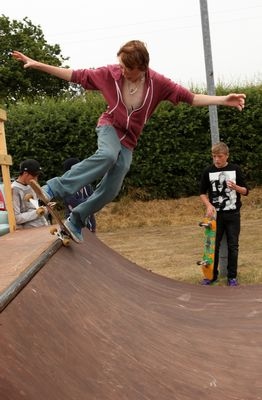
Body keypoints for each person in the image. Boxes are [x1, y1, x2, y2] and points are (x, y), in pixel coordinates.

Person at [12, 40, 246, 243]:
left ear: (142, 68)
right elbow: (76, 75)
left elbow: (191, 98)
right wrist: (38, 64)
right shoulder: (110, 74)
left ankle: (77, 218)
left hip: (129, 141)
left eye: (127, 68)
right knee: (107, 155)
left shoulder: (158, 83)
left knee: (111, 189)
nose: (121, 70)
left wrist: (223, 99)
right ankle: (53, 188)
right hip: (109, 127)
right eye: (121, 65)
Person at [199, 142, 249, 286]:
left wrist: (235, 187)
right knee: (212, 245)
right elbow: (202, 193)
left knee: (233, 246)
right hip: (215, 216)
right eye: (214, 156)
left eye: (219, 156)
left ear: (226, 156)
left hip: (233, 214)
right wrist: (208, 205)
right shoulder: (208, 171)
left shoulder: (235, 169)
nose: (217, 159)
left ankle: (232, 277)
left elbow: (246, 191)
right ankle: (211, 276)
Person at [11, 159, 49, 229]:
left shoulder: (31, 185)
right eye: (34, 176)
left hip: (43, 225)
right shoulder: (14, 189)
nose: (36, 179)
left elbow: (36, 206)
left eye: (37, 176)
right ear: (25, 173)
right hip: (29, 232)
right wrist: (37, 212)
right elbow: (16, 218)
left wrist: (47, 208)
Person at [62, 157, 96, 233]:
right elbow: (77, 204)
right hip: (74, 228)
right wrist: (91, 200)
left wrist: (93, 228)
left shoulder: (87, 185)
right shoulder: (66, 189)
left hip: (89, 226)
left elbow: (95, 202)